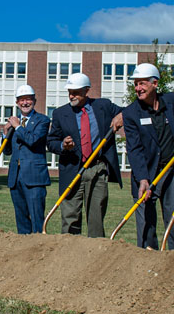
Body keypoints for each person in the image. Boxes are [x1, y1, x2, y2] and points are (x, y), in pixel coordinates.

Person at [122, 63, 174, 249]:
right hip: (146, 173)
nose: (138, 88)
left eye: (142, 84)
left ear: (155, 83)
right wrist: (143, 179)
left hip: (173, 172)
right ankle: (147, 262)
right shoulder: (131, 113)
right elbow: (134, 149)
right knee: (145, 227)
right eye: (135, 84)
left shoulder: (173, 101)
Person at [47, 72, 123, 237]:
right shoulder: (60, 113)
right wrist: (63, 145)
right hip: (72, 168)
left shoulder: (103, 106)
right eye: (69, 91)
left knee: (96, 217)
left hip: (97, 168)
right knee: (70, 216)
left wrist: (121, 115)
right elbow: (51, 141)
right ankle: (69, 253)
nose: (71, 95)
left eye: (76, 91)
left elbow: (131, 112)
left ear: (87, 90)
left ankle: (95, 254)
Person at [3, 85, 50, 234]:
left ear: (34, 101)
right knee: (21, 217)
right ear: (17, 103)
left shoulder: (42, 120)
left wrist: (17, 127)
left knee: (37, 217)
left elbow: (32, 140)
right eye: (21, 100)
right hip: (16, 177)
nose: (25, 103)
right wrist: (5, 133)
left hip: (34, 176)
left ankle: (38, 247)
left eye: (28, 99)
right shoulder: (13, 123)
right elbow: (7, 151)